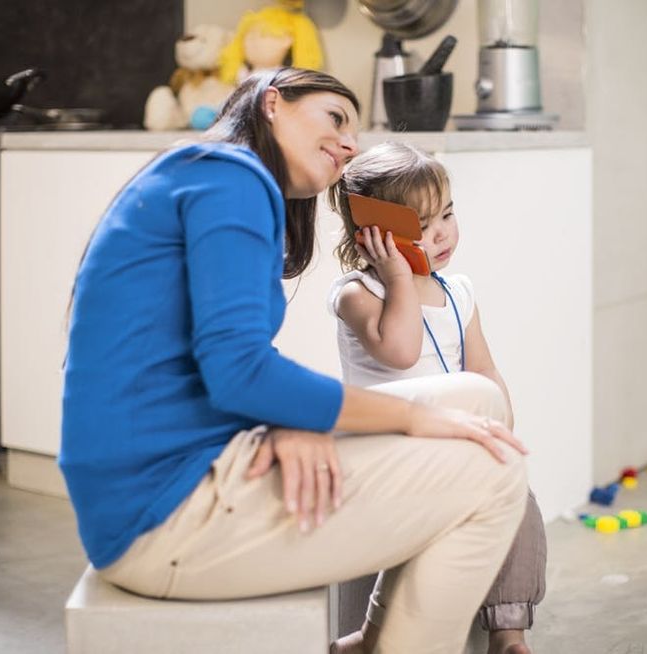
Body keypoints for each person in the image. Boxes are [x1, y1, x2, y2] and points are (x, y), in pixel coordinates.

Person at [59, 67, 528, 654]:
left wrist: (283, 415)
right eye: (335, 117)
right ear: (273, 104)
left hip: (177, 475)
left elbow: (224, 360)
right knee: (498, 472)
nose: (350, 143)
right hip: (164, 513)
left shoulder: (205, 175)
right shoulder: (232, 179)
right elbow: (240, 373)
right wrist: (407, 420)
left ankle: (370, 644)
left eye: (354, 130)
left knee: (477, 401)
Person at [327, 142, 546, 654]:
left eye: (447, 214)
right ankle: (372, 632)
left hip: (446, 444)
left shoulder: (458, 292)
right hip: (383, 450)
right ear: (373, 237)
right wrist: (400, 275)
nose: (443, 232)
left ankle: (508, 631)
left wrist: (500, 425)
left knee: (516, 491)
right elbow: (401, 351)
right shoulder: (357, 294)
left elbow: (484, 369)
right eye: (423, 226)